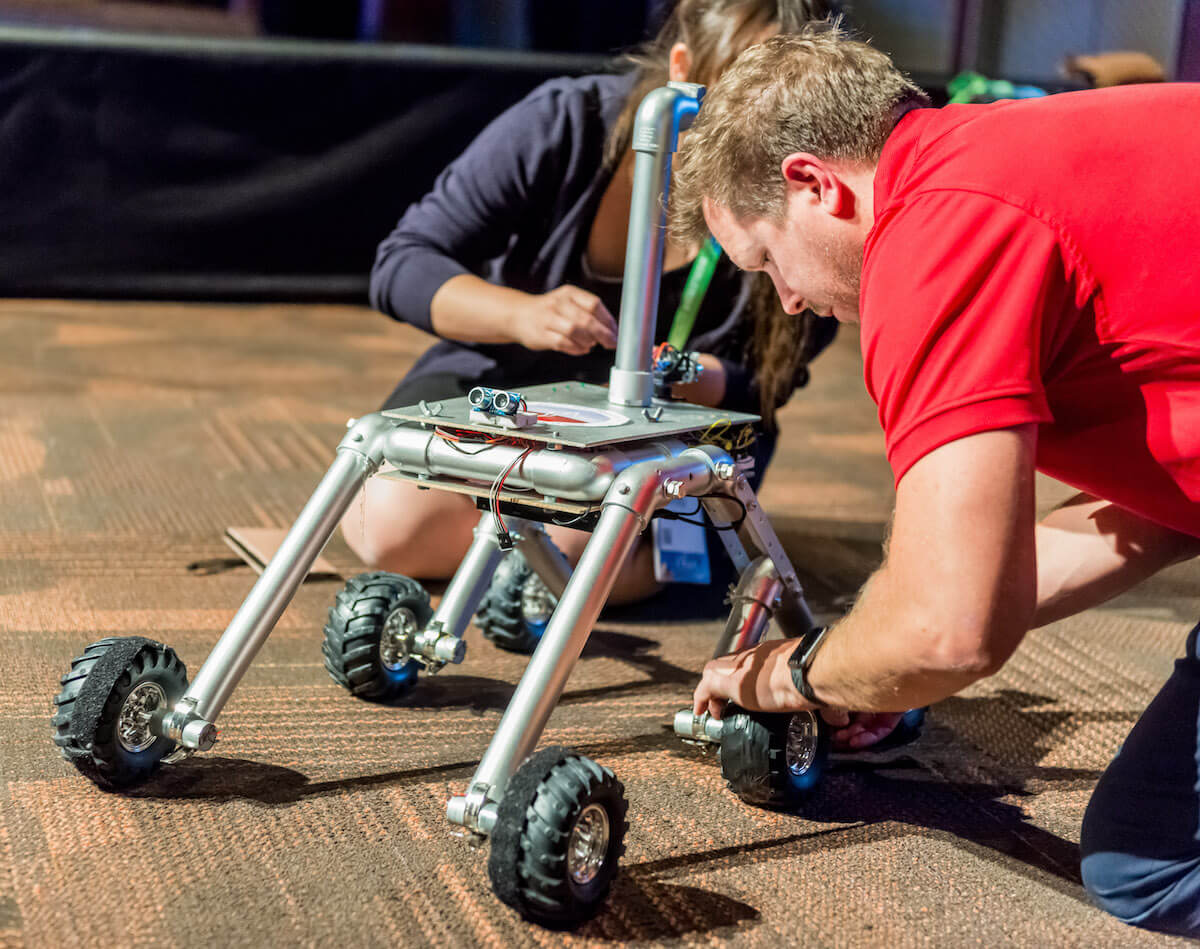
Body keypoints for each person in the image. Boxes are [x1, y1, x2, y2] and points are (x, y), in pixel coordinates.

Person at [670, 23, 1200, 937]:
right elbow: (1157, 512)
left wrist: (797, 673)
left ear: (813, 183)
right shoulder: (1001, 155)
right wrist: (862, 665)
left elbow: (950, 629)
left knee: (1150, 860)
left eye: (767, 262)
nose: (787, 299)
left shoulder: (935, 233)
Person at [346, 0, 840, 605]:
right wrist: (521, 315)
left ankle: (563, 568)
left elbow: (766, 383)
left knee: (583, 544)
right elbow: (404, 263)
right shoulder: (568, 120)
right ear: (682, 68)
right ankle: (540, 564)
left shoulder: (807, 188)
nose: (759, 129)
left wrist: (684, 376)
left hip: (670, 427)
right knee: (386, 528)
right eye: (739, 90)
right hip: (514, 385)